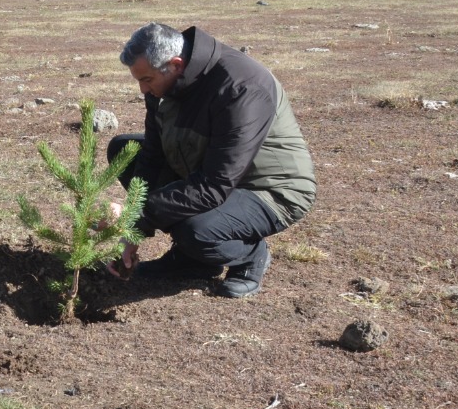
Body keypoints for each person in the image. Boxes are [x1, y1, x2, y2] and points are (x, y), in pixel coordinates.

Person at [107, 22, 316, 298]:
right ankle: (194, 260)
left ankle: (250, 254)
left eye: (146, 80)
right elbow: (152, 155)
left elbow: (215, 185)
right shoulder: (165, 83)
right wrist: (134, 228)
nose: (143, 90)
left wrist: (138, 215)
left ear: (176, 65)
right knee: (125, 151)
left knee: (196, 230)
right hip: (209, 168)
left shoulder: (241, 87)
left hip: (269, 187)